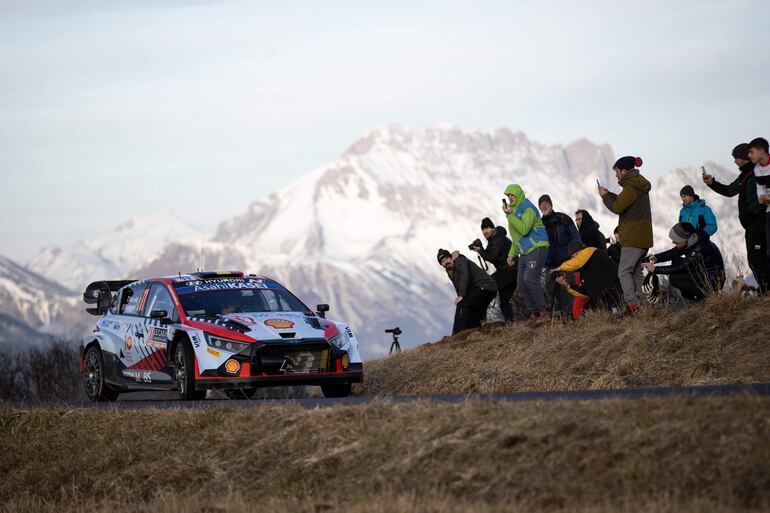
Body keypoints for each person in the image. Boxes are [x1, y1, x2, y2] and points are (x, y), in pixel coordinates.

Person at [704, 143, 768, 293]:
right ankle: (764, 289)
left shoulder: (758, 172)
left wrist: (756, 212)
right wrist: (712, 183)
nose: (734, 161)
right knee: (754, 258)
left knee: (758, 257)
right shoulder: (745, 174)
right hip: (751, 224)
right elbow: (729, 190)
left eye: (735, 158)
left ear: (743, 157)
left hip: (758, 221)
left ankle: (766, 290)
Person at [599, 156, 653, 314]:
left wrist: (604, 197)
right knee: (635, 272)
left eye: (616, 171)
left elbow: (617, 207)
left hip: (633, 237)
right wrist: (609, 194)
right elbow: (624, 202)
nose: (616, 175)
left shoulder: (631, 187)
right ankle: (646, 305)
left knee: (623, 271)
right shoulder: (637, 184)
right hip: (642, 237)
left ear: (623, 170)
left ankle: (632, 305)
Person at [642, 222, 725, 301]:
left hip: (713, 281)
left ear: (685, 239)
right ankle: (694, 297)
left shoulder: (699, 248)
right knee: (676, 261)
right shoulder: (693, 240)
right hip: (703, 273)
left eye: (676, 240)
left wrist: (655, 269)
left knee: (675, 277)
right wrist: (657, 258)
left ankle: (699, 298)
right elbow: (674, 252)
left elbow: (683, 267)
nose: (673, 242)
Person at [502, 184, 550, 320]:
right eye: (508, 196)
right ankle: (534, 313)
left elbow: (524, 229)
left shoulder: (526, 207)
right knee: (521, 282)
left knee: (530, 279)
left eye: (512, 195)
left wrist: (510, 215)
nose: (510, 198)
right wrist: (511, 254)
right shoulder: (514, 211)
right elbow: (516, 237)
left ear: (518, 194)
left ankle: (544, 311)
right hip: (524, 252)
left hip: (537, 247)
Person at [551, 240, 621, 319]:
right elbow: (585, 293)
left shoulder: (592, 251)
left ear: (580, 251)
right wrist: (567, 285)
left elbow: (577, 261)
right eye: (571, 257)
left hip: (615, 291)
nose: (573, 259)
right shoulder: (583, 273)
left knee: (613, 309)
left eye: (574, 256)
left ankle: (616, 313)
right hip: (603, 299)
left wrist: (559, 268)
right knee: (586, 310)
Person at [437, 248, 498, 334]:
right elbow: (458, 286)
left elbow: (464, 275)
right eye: (442, 262)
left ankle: (457, 334)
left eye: (446, 259)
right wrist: (460, 296)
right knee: (473, 318)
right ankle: (474, 334)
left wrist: (461, 295)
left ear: (450, 257)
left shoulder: (459, 260)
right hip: (479, 290)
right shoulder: (450, 271)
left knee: (464, 304)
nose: (445, 262)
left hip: (485, 286)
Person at [538, 195, 581, 315]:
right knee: (551, 289)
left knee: (567, 287)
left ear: (551, 204)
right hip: (550, 264)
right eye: (541, 204)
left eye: (546, 203)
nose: (544, 206)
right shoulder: (539, 224)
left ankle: (570, 314)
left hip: (566, 261)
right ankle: (557, 316)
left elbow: (576, 238)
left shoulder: (563, 218)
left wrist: (576, 255)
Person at [470, 218, 517, 321]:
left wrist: (480, 250)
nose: (485, 231)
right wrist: (480, 248)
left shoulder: (498, 239)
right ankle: (510, 322)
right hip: (511, 272)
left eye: (487, 228)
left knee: (485, 286)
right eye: (483, 229)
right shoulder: (494, 239)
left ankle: (481, 319)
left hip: (508, 271)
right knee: (504, 301)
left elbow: (492, 257)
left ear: (492, 228)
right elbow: (489, 254)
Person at [748, 137, 770, 268]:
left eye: (752, 152)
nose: (749, 155)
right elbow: (760, 187)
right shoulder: (757, 169)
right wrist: (761, 197)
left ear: (762, 151)